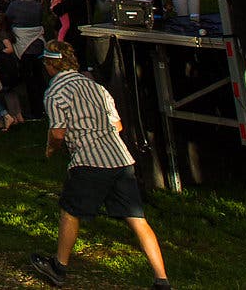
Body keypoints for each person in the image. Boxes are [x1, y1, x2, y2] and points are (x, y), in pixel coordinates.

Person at [31, 42, 172, 290]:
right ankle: (162, 279)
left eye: (46, 62)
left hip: (89, 160)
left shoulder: (55, 93)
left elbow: (58, 133)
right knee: (137, 218)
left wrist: (51, 149)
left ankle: (58, 267)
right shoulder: (97, 87)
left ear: (52, 64)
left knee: (70, 210)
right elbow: (117, 126)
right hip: (120, 158)